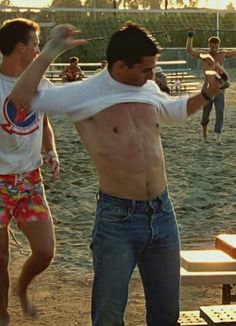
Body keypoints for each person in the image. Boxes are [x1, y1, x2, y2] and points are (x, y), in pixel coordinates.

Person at [10, 23, 220, 326]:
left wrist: (206, 93)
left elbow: (173, 111)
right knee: (108, 317)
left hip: (162, 212)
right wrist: (51, 50)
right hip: (117, 220)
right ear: (120, 66)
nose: (152, 76)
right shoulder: (84, 93)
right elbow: (20, 98)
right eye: (146, 69)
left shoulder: (146, 87)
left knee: (166, 314)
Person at [0, 18, 60, 326]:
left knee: (45, 250)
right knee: (0, 258)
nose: (38, 50)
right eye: (35, 44)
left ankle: (22, 286)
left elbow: (44, 122)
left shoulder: (41, 84)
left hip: (29, 181)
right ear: (20, 48)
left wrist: (51, 150)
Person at [186, 30, 236, 144]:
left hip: (219, 89)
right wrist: (190, 37)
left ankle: (218, 137)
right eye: (212, 47)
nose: (214, 49)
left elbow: (234, 52)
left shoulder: (222, 54)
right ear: (209, 46)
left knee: (220, 111)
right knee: (206, 113)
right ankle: (204, 136)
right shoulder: (204, 55)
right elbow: (189, 50)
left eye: (216, 47)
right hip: (207, 88)